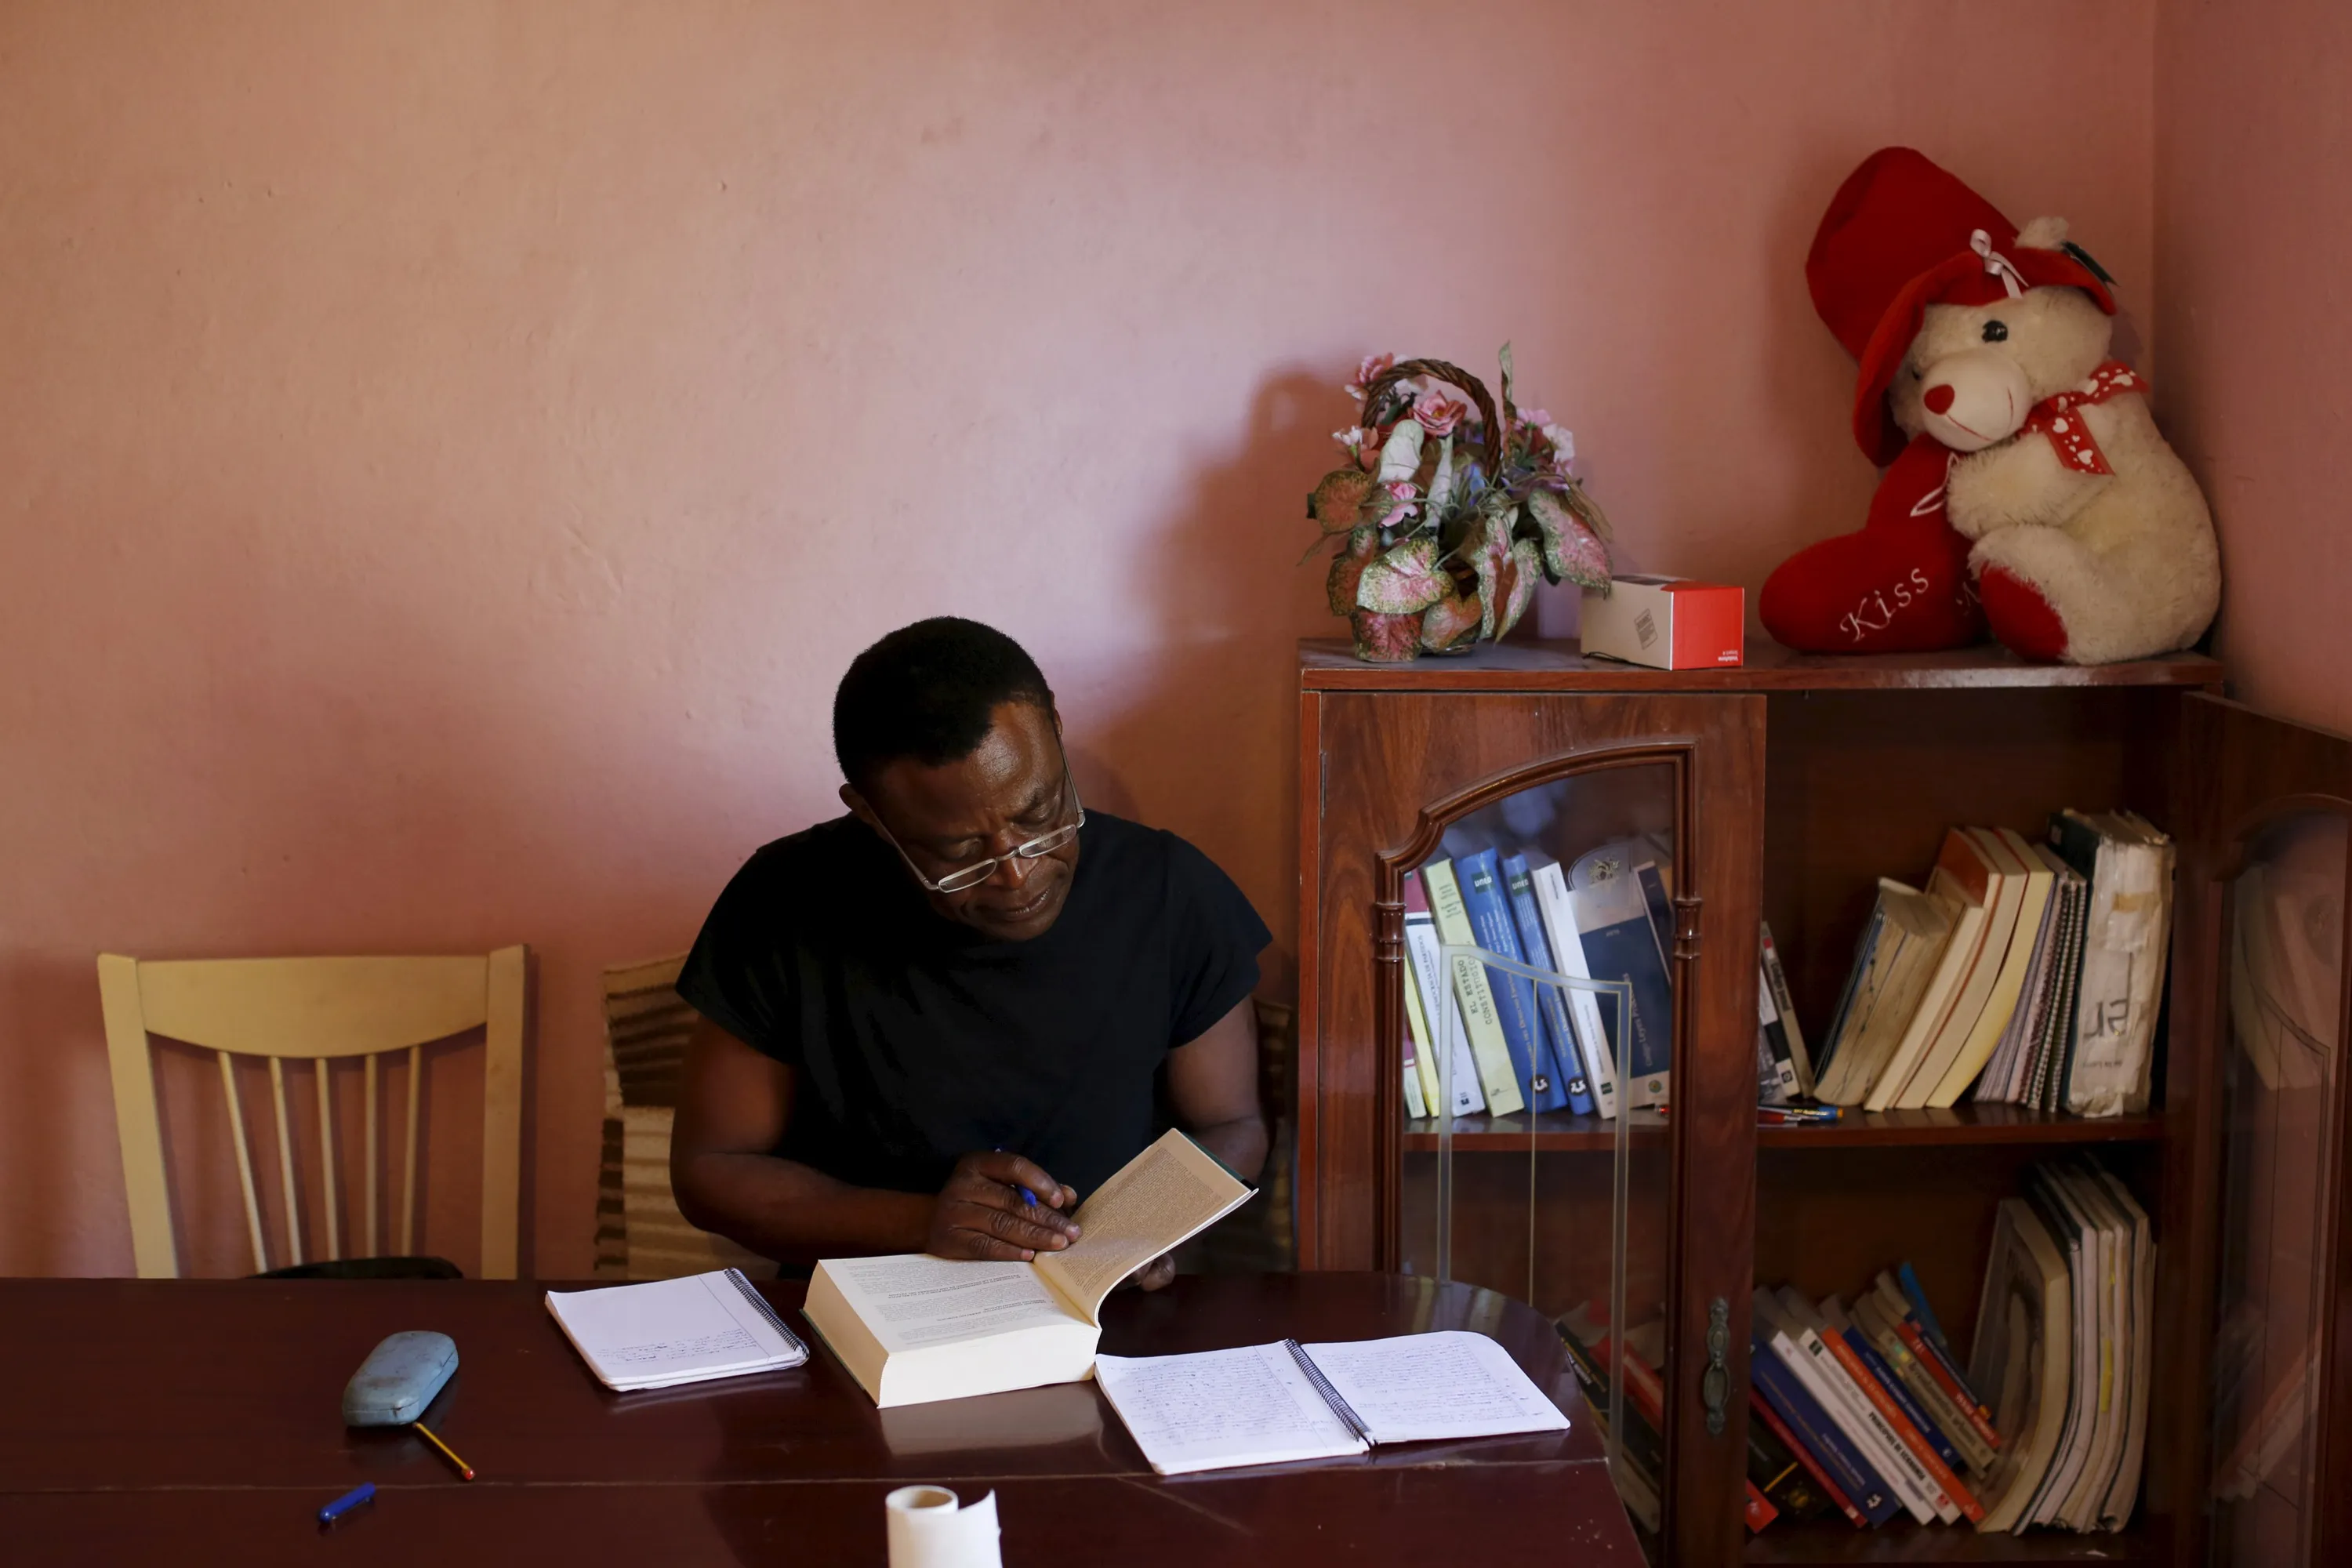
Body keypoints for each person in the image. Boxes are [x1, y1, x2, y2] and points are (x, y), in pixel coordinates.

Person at [670, 616, 1270, 1290]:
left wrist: (1144, 1229)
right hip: (871, 1316)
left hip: (1104, 1314)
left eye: (1040, 815)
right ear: (870, 814)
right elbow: (711, 1170)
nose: (1018, 874)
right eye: (959, 853)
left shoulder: (1168, 891)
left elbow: (1234, 1123)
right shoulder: (783, 904)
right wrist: (923, 1223)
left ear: (1055, 730)